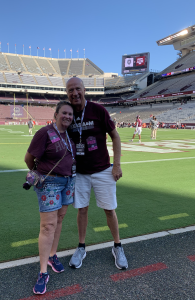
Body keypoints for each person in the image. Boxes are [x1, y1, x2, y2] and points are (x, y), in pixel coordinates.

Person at [66, 77, 128, 271]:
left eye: (77, 89)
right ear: (66, 93)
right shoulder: (67, 112)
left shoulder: (98, 110)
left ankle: (118, 246)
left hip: (103, 170)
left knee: (109, 209)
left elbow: (115, 137)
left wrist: (116, 165)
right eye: (70, 90)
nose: (74, 93)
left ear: (84, 90)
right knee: (81, 210)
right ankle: (81, 247)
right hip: (80, 173)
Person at [24, 101, 76, 295]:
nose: (68, 117)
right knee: (48, 226)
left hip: (68, 182)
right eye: (64, 113)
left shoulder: (70, 135)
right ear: (56, 114)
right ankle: (43, 272)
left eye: (70, 114)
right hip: (50, 183)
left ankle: (53, 255)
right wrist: (37, 174)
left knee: (60, 219)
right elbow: (29, 159)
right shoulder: (44, 133)